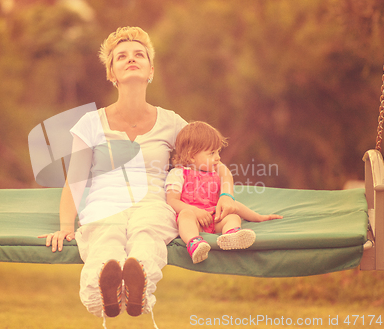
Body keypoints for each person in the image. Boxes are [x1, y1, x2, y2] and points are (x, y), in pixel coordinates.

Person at [39, 27, 238, 327]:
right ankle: (101, 291)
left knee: (147, 232)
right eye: (122, 57)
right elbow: (75, 181)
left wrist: (226, 194)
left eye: (139, 55)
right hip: (105, 203)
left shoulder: (172, 123)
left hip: (155, 202)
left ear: (150, 70)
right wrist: (65, 226)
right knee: (107, 234)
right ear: (112, 73)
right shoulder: (91, 123)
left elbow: (216, 163)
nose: (131, 59)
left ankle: (138, 287)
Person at [165, 121, 283, 264]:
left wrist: (258, 217)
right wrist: (195, 211)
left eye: (218, 152)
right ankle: (194, 242)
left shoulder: (215, 173)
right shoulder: (178, 174)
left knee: (232, 215)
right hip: (195, 221)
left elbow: (233, 204)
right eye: (212, 153)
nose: (218, 158)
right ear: (191, 156)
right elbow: (172, 201)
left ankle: (232, 235)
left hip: (215, 220)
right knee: (185, 216)